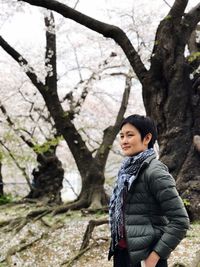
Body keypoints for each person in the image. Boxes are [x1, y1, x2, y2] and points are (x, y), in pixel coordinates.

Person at [108, 114, 189, 267]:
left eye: (130, 135)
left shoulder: (155, 172)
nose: (124, 141)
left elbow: (180, 221)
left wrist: (155, 256)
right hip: (123, 253)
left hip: (146, 258)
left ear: (146, 138)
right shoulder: (126, 171)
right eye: (122, 136)